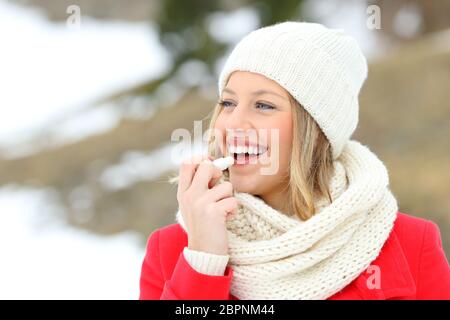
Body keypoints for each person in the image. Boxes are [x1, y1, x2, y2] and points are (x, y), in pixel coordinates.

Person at [139, 21, 450, 300]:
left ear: (315, 130)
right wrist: (204, 261)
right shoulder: (172, 251)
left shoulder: (410, 245)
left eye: (263, 105)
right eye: (228, 102)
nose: (233, 123)